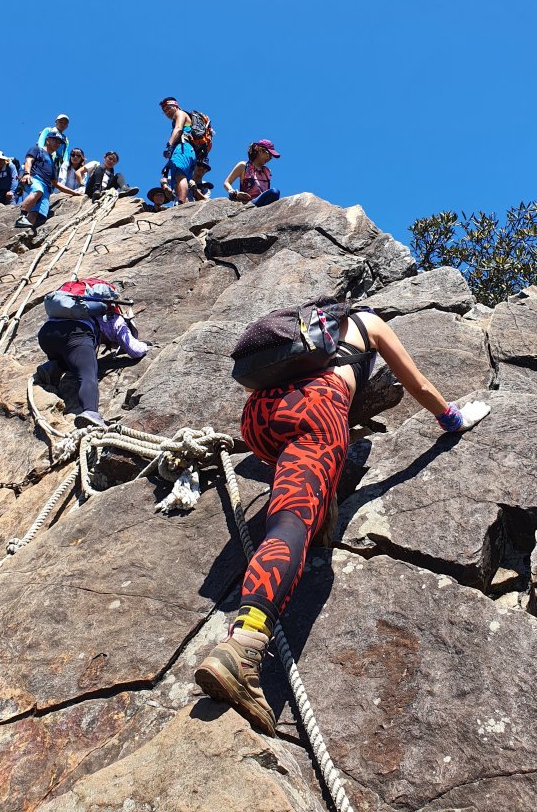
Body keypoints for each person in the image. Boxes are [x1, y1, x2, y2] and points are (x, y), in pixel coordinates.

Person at [195, 306, 490, 735]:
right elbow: (417, 384)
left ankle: (314, 499)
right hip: (316, 410)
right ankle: (244, 645)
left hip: (259, 419)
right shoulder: (369, 323)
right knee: (292, 523)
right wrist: (453, 418)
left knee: (301, 495)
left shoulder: (304, 331)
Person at [36, 288, 149, 429]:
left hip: (46, 335)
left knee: (71, 359)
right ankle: (90, 412)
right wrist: (146, 347)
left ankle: (52, 367)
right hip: (76, 334)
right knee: (87, 374)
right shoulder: (114, 317)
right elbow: (134, 349)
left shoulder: (77, 307)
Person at [14, 132, 82, 229]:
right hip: (35, 178)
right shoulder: (37, 149)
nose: (57, 144)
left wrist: (73, 192)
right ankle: (21, 217)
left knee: (36, 212)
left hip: (47, 187)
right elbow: (29, 160)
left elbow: (56, 183)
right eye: (55, 140)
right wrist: (26, 173)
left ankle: (26, 231)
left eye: (59, 142)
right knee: (38, 191)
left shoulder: (53, 163)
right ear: (47, 140)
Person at [159, 98, 198, 204]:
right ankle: (184, 202)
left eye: (168, 108)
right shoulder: (182, 116)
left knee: (179, 175)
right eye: (164, 111)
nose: (167, 112)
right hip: (188, 151)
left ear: (176, 106)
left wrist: (169, 144)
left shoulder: (179, 113)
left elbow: (179, 129)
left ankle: (181, 203)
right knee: (180, 177)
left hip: (183, 147)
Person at [223, 140, 281, 208]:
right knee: (274, 192)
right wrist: (233, 192)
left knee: (274, 194)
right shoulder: (243, 166)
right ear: (260, 150)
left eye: (271, 157)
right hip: (248, 203)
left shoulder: (267, 171)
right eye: (269, 154)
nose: (269, 158)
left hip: (262, 202)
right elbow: (227, 182)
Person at [37, 114, 71, 182]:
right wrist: (42, 153)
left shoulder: (65, 139)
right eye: (61, 122)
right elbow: (40, 142)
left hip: (57, 162)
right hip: (44, 157)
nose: (63, 124)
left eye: (65, 123)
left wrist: (65, 163)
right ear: (56, 122)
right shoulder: (49, 130)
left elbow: (65, 152)